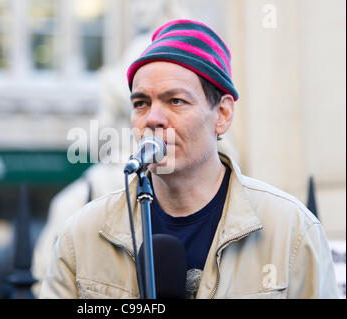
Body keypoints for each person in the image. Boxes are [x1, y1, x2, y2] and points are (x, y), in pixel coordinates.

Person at [39, 19, 338, 299]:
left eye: (175, 101)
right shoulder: (81, 235)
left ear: (222, 115)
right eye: (141, 103)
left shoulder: (293, 232)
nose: (153, 119)